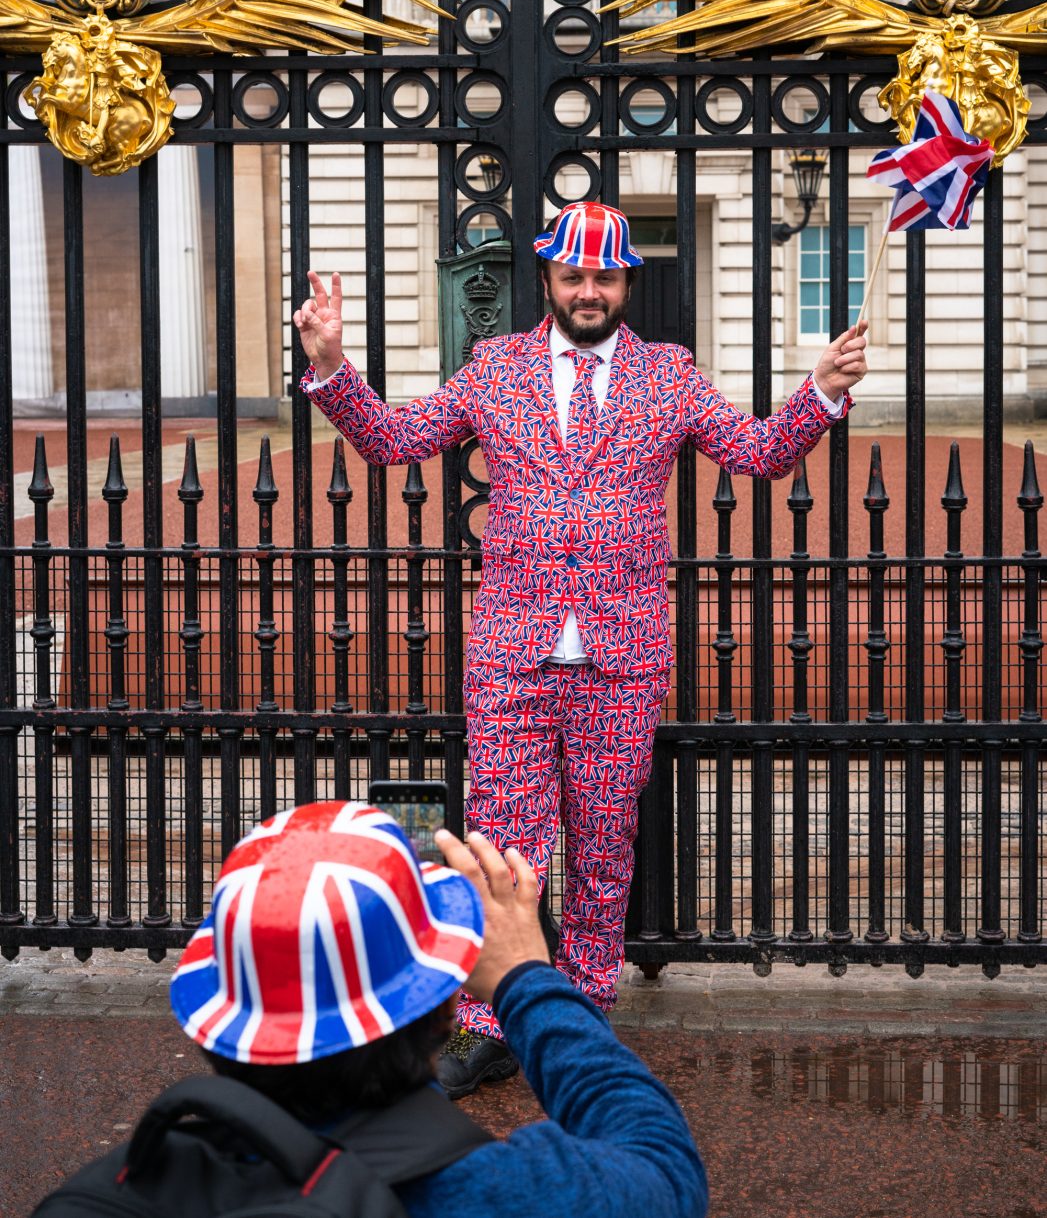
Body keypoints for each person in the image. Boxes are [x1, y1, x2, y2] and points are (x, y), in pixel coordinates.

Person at [294, 200, 868, 1096]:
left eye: (605, 276)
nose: (589, 290)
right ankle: (487, 1020)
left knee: (603, 843)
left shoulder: (667, 375)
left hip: (621, 652)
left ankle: (586, 1009)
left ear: (624, 282)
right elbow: (394, 440)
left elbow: (756, 454)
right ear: (549, 281)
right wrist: (332, 368)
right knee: (505, 844)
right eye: (574, 276)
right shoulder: (497, 367)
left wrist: (821, 389)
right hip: (512, 653)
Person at [35, 802, 708, 1218]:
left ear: (223, 1020)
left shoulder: (125, 1186)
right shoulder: (508, 1192)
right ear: (443, 1005)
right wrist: (523, 978)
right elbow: (660, 1160)